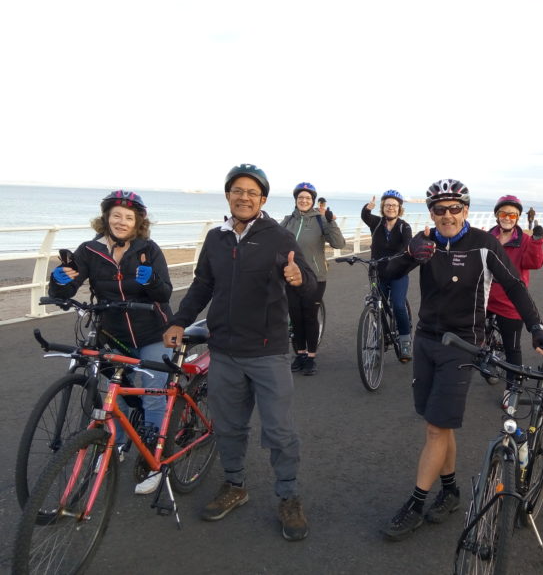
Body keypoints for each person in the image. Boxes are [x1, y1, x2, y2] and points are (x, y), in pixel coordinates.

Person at [380, 179, 543, 541]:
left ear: (465, 210)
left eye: (454, 208)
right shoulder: (425, 245)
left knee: (435, 428)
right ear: (431, 213)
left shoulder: (483, 244)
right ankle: (452, 491)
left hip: (463, 344)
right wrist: (410, 254)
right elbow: (386, 273)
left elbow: (514, 285)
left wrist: (536, 327)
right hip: (427, 338)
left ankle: (415, 503)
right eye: (440, 209)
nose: (447, 215)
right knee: (438, 424)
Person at [162, 164, 316, 541]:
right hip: (225, 350)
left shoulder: (278, 237)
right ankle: (235, 485)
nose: (244, 197)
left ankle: (289, 496)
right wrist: (179, 320)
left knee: (280, 431)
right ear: (228, 195)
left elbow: (309, 283)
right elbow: (202, 285)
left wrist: (298, 279)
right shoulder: (217, 239)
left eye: (252, 192)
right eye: (237, 190)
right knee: (229, 428)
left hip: (268, 352)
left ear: (262, 199)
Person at [49, 189, 174, 495]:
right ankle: (114, 446)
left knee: (153, 395)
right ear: (106, 218)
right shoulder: (90, 251)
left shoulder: (148, 249)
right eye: (116, 215)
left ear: (138, 222)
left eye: (128, 217)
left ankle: (152, 459)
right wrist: (59, 281)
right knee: (115, 395)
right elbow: (65, 291)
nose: (121, 221)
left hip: (152, 332)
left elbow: (164, 294)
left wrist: (151, 281)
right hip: (113, 333)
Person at [280, 182, 347, 375]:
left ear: (313, 201)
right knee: (295, 316)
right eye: (300, 197)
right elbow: (274, 241)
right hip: (291, 276)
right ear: (295, 200)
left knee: (309, 317)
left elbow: (338, 243)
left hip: (315, 277)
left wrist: (331, 221)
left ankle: (310, 357)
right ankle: (300, 354)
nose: (303, 200)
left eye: (307, 198)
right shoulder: (287, 221)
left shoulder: (320, 220)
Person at [486, 195, 543, 405]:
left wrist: (537, 241)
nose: (508, 218)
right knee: (475, 338)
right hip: (484, 297)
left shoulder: (525, 240)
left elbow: (534, 263)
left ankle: (514, 387)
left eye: (513, 215)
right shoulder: (487, 237)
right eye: (504, 213)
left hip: (510, 301)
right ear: (496, 215)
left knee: (512, 348)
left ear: (518, 217)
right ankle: (489, 361)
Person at [361, 190, 413, 360]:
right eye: (388, 205)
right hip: (378, 273)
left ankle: (405, 340)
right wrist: (367, 208)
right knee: (377, 306)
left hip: (398, 273)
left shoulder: (404, 227)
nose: (391, 208)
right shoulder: (376, 223)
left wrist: (398, 258)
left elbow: (407, 247)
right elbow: (365, 216)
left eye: (394, 205)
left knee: (398, 305)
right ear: (383, 207)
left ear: (399, 208)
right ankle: (380, 337)